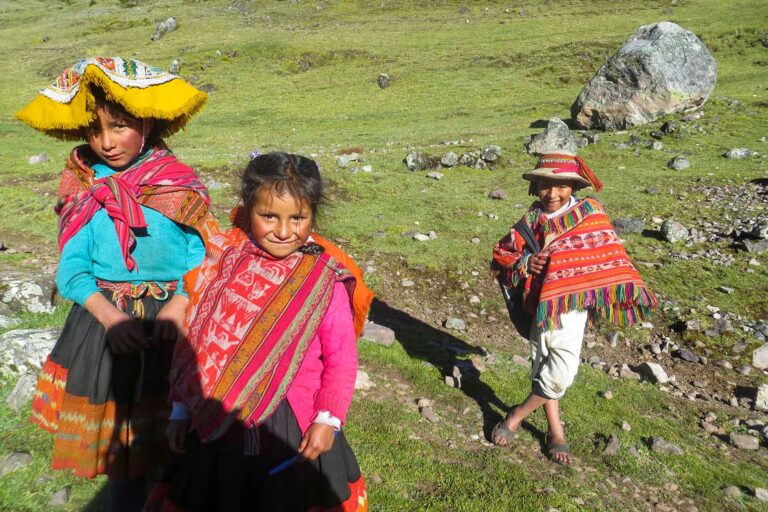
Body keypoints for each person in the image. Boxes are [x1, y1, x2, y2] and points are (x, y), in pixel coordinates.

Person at [16, 57, 215, 509]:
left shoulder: (176, 183)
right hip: (106, 331)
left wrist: (181, 301)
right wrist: (110, 319)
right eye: (95, 130)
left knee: (180, 438)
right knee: (122, 449)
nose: (106, 142)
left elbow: (202, 255)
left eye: (120, 126)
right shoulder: (84, 185)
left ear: (147, 121)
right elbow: (72, 271)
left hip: (173, 328)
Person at [162, 152, 370, 511]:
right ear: (248, 209)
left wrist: (327, 420)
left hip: (290, 425)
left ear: (313, 215)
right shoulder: (225, 260)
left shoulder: (323, 281)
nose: (284, 231)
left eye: (298, 218)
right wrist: (181, 410)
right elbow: (199, 341)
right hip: (219, 419)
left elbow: (341, 360)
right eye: (269, 216)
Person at [490, 151, 657, 464]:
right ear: (535, 187)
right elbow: (502, 253)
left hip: (571, 305)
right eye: (545, 186)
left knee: (561, 373)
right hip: (539, 304)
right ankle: (556, 432)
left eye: (562, 186)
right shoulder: (530, 220)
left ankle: (516, 415)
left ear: (573, 187)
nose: (552, 193)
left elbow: (608, 251)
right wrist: (527, 262)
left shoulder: (589, 213)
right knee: (542, 364)